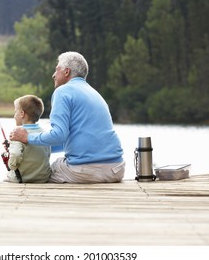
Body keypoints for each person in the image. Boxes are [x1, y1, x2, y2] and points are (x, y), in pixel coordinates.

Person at [9, 51, 125, 183]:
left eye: (56, 69)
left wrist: (27, 138)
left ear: (66, 72)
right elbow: (71, 140)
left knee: (43, 173)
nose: (53, 75)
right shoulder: (94, 93)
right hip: (116, 169)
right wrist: (32, 145)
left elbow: (59, 135)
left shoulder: (62, 91)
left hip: (86, 171)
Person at [5, 95, 51, 183]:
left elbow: (16, 154)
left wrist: (11, 165)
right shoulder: (44, 133)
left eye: (15, 112)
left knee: (7, 177)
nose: (14, 116)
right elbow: (47, 154)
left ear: (22, 113)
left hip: (23, 179)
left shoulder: (17, 134)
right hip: (43, 178)